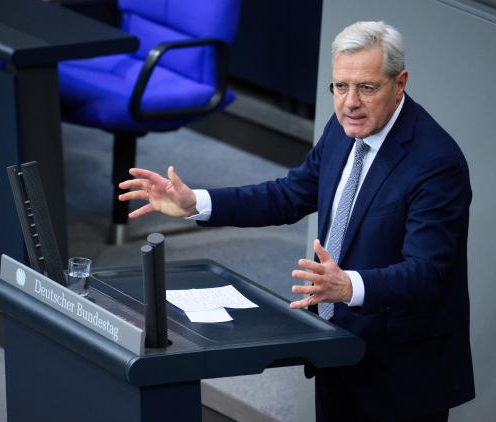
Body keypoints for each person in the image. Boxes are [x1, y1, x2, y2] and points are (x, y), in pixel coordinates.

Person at [118, 21, 475, 422]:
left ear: (400, 83)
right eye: (340, 86)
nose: (349, 102)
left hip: (403, 370)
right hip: (339, 346)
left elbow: (427, 274)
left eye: (366, 88)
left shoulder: (435, 164)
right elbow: (289, 194)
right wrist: (195, 203)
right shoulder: (344, 130)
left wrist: (348, 286)